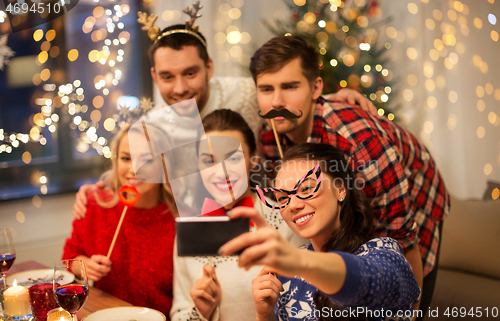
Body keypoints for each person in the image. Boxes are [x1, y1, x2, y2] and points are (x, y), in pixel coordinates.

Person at [72, 9, 375, 219]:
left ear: (209, 68)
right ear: (154, 76)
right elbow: (129, 169)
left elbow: (281, 92)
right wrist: (93, 189)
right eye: (167, 77)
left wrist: (333, 95)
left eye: (190, 73)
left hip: (267, 208)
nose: (180, 88)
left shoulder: (243, 92)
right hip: (208, 225)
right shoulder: (155, 128)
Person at [252, 35, 450, 318]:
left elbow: (404, 242)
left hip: (414, 197)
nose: (277, 101)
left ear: (315, 87)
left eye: (291, 86)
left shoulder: (360, 144)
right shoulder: (270, 132)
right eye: (266, 89)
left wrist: (409, 311)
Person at [220, 143, 421, 321]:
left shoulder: (382, 251)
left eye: (306, 188)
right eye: (282, 198)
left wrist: (302, 261)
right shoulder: (285, 276)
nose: (293, 205)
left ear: (340, 189)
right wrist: (265, 316)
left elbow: (385, 283)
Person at [170, 109, 307, 321]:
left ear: (253, 160)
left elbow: (309, 310)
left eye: (233, 158)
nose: (221, 172)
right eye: (209, 161)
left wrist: (268, 313)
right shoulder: (188, 230)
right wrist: (200, 312)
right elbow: (178, 315)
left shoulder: (285, 221)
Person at [62, 122, 178, 317]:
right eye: (126, 158)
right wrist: (85, 267)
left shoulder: (178, 217)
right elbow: (70, 256)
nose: (134, 170)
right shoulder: (94, 204)